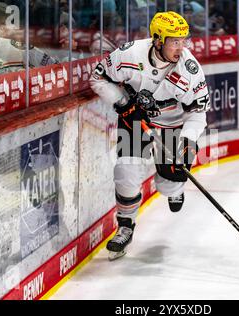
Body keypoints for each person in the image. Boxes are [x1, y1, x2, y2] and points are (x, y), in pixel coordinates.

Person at [90, 11, 210, 260]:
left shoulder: (190, 70)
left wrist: (187, 141)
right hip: (137, 119)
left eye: (183, 40)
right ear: (157, 40)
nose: (181, 47)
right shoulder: (129, 54)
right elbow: (98, 78)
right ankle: (125, 226)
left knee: (168, 184)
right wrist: (123, 104)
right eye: (174, 41)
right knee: (126, 173)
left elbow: (198, 112)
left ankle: (174, 186)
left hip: (173, 125)